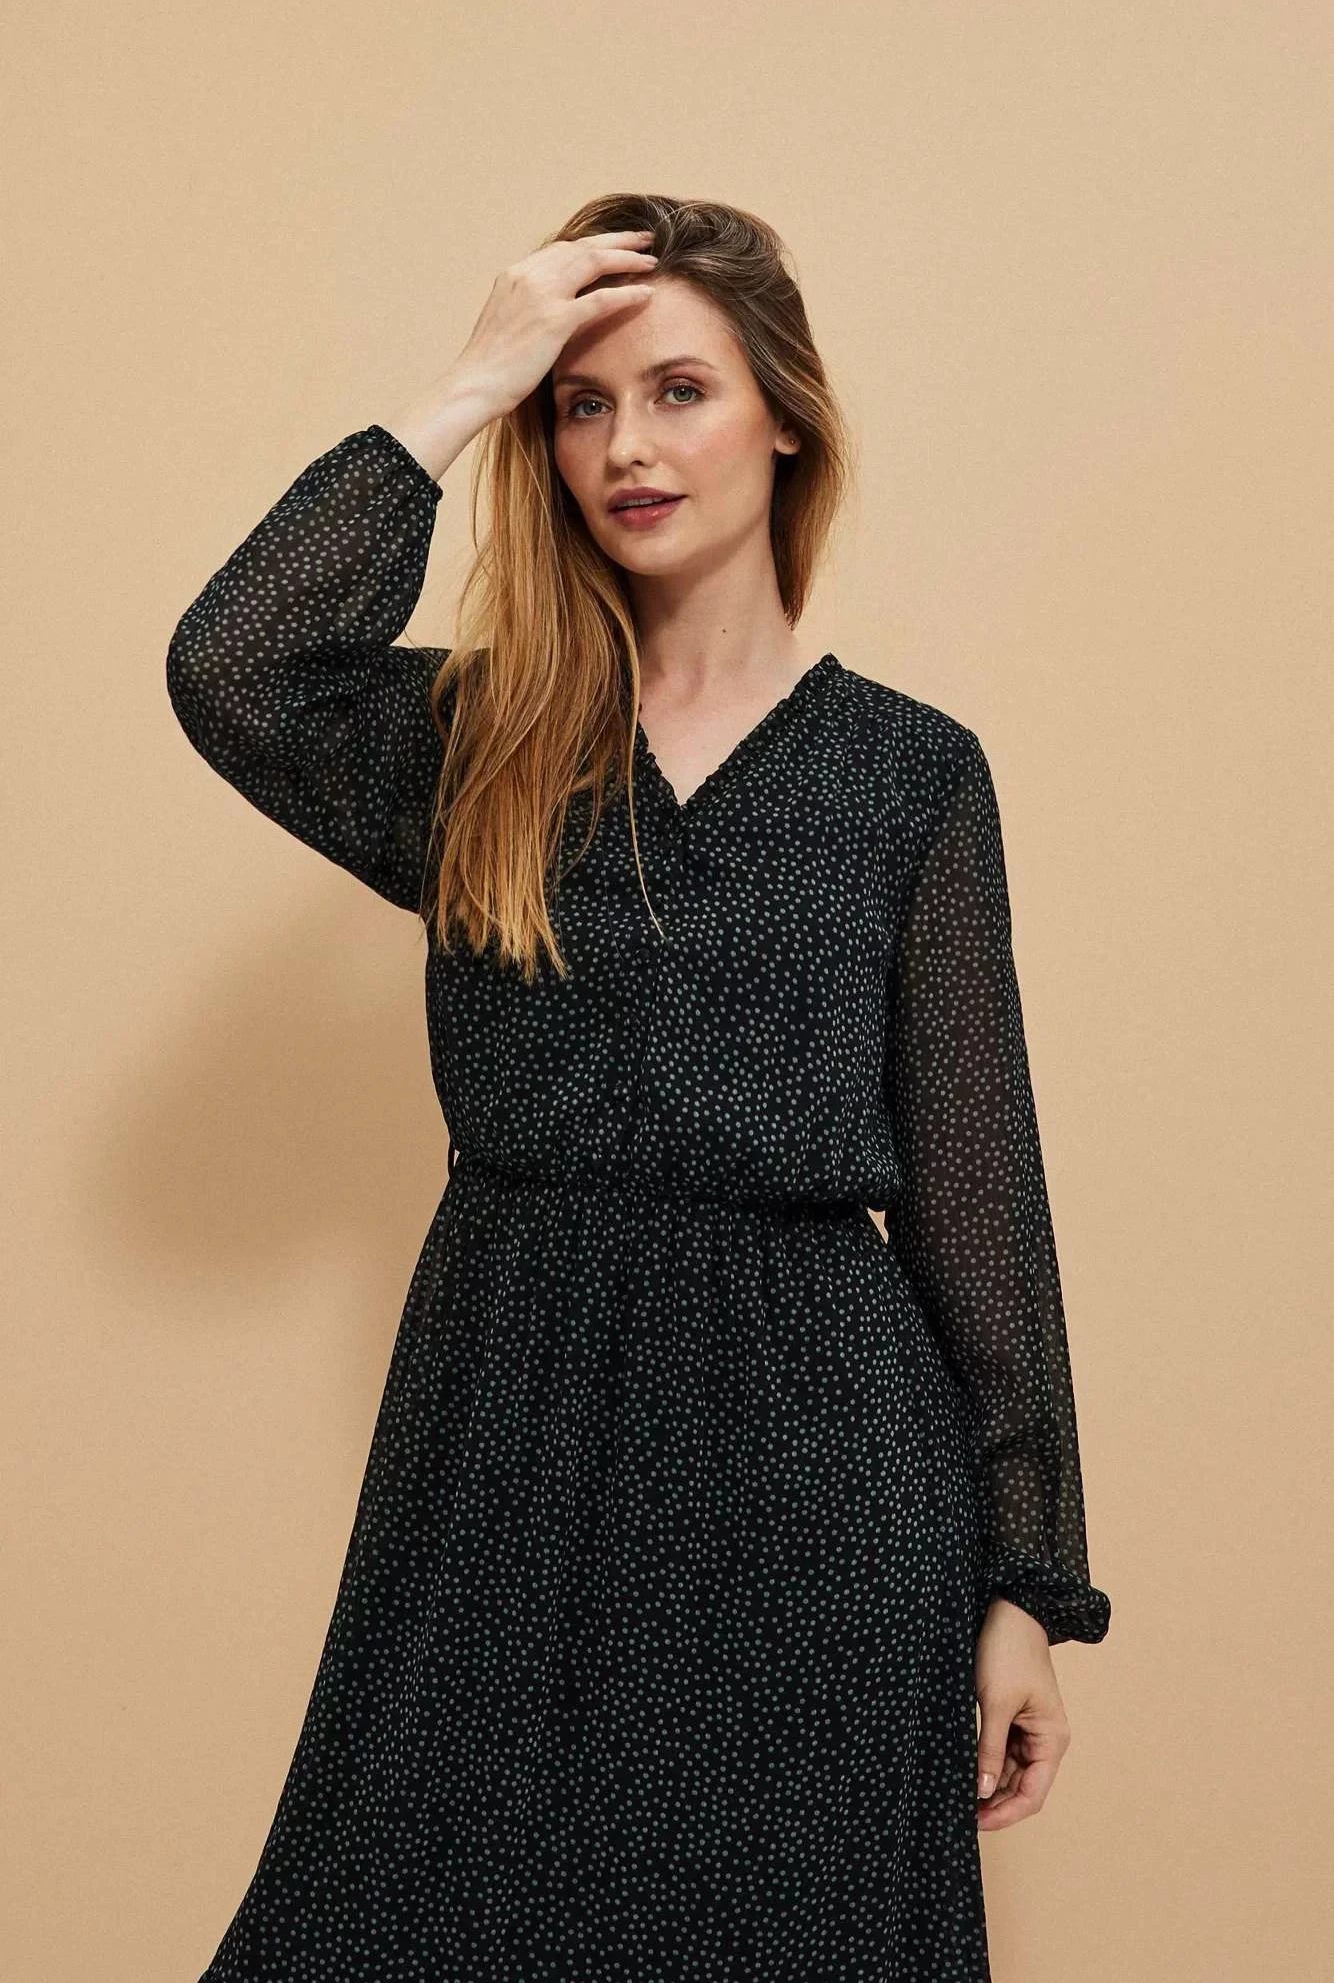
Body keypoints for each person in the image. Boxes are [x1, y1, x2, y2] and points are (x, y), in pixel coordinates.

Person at [166, 192, 1111, 1982]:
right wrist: (468, 385)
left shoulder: (907, 773)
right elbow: (232, 669)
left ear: (783, 417)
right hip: (505, 1412)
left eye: (678, 390)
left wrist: (1021, 1584)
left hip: (820, 1451)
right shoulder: (479, 742)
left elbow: (978, 1187)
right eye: (578, 406)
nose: (624, 447)